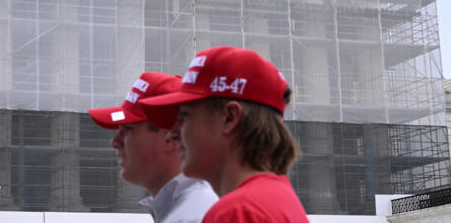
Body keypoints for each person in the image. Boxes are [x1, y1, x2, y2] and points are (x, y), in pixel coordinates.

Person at [139, 46, 309, 222]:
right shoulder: (276, 200)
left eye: (184, 117)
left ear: (229, 118)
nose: (173, 134)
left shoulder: (238, 211)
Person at [88, 72, 218, 223]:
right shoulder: (191, 208)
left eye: (128, 129)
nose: (115, 142)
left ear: (171, 137)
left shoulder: (191, 216)